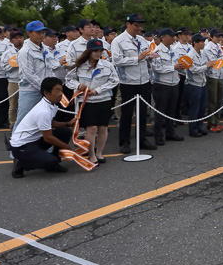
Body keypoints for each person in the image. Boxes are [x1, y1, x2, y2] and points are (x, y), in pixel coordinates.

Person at [10, 77, 77, 178]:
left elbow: (50, 124)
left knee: (65, 131)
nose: (61, 94)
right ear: (46, 93)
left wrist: (67, 124)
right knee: (50, 160)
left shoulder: (50, 104)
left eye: (61, 90)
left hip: (34, 140)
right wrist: (65, 146)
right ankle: (21, 163)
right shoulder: (43, 111)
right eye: (57, 90)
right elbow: (48, 138)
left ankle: (53, 164)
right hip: (21, 146)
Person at [65, 39, 118, 164]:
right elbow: (68, 79)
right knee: (91, 128)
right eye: (95, 51)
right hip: (87, 101)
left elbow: (114, 80)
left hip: (103, 99)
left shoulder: (107, 65)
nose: (98, 53)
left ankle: (99, 153)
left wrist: (99, 90)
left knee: (103, 127)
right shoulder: (80, 66)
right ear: (89, 51)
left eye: (100, 51)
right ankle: (91, 154)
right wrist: (78, 86)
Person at [111, 13, 158, 154]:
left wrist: (149, 58)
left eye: (141, 25)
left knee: (143, 113)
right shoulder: (118, 41)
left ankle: (142, 139)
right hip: (128, 82)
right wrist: (138, 58)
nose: (139, 28)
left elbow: (145, 57)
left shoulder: (142, 40)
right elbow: (116, 61)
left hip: (143, 80)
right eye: (136, 25)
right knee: (127, 114)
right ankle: (124, 142)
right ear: (128, 24)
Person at [186, 33, 214, 137]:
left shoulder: (202, 53)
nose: (203, 43)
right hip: (194, 84)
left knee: (202, 108)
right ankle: (193, 129)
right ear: (195, 43)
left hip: (202, 83)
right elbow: (193, 70)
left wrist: (209, 65)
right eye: (201, 41)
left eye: (203, 41)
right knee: (194, 108)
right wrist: (206, 66)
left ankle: (199, 126)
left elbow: (206, 66)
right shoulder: (190, 55)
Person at [204, 31, 223, 132]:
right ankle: (211, 123)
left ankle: (217, 122)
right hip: (212, 75)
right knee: (212, 100)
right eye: (216, 37)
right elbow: (214, 61)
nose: (218, 38)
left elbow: (222, 61)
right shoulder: (208, 47)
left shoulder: (218, 46)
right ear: (211, 37)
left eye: (220, 36)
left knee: (219, 100)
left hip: (220, 74)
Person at [0, 30, 25, 126]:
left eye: (21, 37)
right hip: (14, 81)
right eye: (16, 38)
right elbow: (4, 68)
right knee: (13, 106)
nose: (19, 40)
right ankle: (13, 125)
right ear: (11, 41)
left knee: (28, 105)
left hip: (28, 81)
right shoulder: (7, 53)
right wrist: (15, 64)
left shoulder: (28, 50)